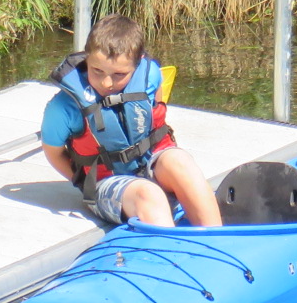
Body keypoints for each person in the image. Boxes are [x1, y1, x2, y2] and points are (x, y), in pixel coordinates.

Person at [40, 14, 222, 228]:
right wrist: (82, 180)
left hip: (151, 162)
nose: (107, 82)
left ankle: (215, 237)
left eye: (119, 74)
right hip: (108, 183)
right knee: (148, 193)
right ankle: (169, 253)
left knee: (181, 162)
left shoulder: (151, 77)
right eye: (97, 71)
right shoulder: (63, 107)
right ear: (87, 60)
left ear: (136, 66)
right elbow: (53, 153)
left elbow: (157, 116)